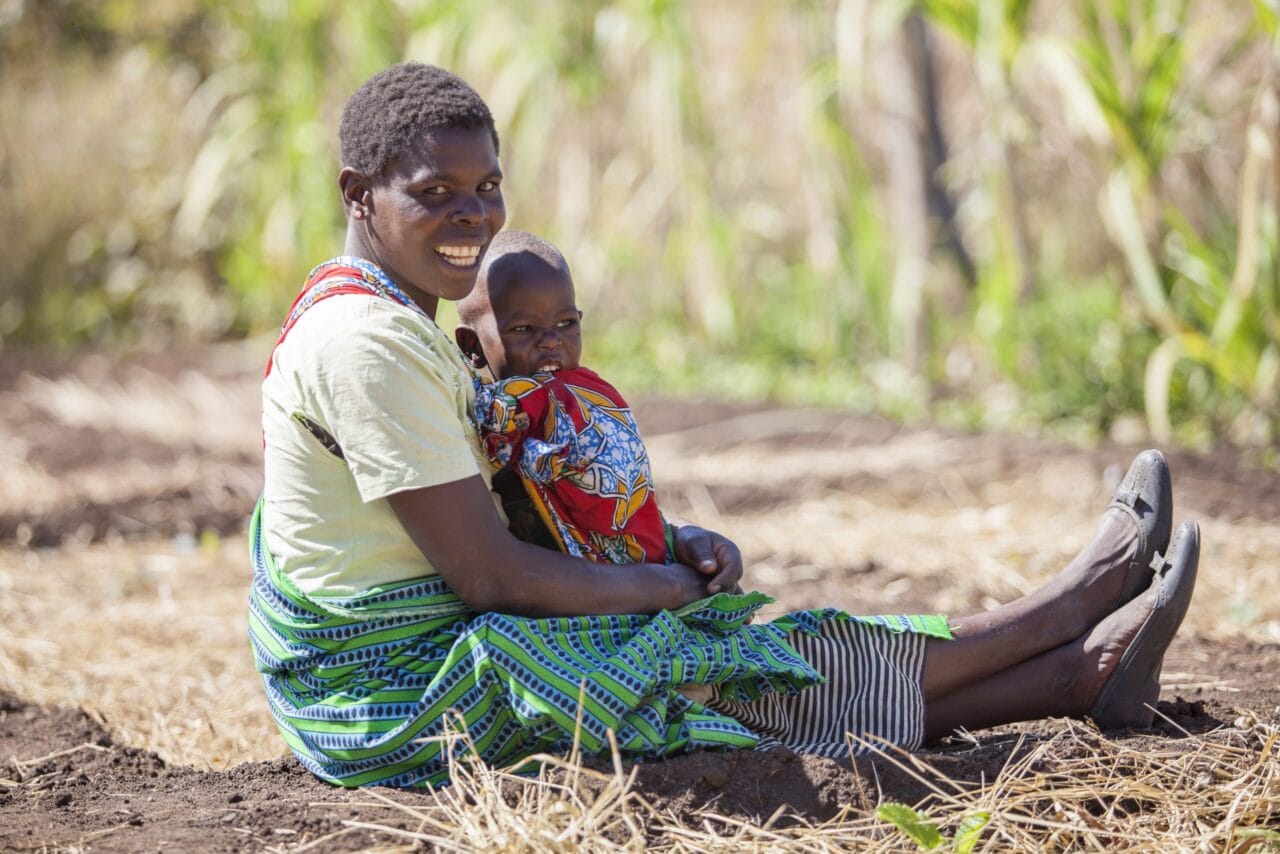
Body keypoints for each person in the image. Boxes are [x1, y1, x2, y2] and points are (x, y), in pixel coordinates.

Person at [249, 62, 1201, 790]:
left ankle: (1075, 673)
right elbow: (489, 573)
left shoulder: (393, 317)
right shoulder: (365, 343)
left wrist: (661, 548)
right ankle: (1069, 616)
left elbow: (497, 524)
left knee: (728, 657)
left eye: (487, 187)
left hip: (415, 656)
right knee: (708, 660)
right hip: (391, 696)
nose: (474, 216)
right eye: (434, 193)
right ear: (356, 193)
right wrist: (656, 586)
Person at [454, 230, 671, 566]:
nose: (552, 341)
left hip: (612, 575)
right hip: (619, 567)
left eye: (566, 323)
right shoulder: (581, 390)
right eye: (524, 329)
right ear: (472, 346)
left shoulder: (564, 397)